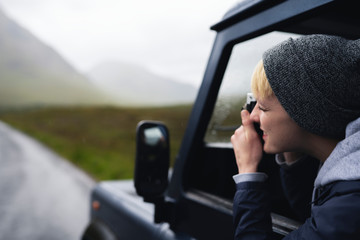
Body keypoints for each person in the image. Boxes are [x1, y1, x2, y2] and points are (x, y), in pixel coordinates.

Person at [231, 34, 360, 239]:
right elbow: (309, 215)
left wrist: (248, 173)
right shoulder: (346, 179)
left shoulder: (351, 203)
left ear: (306, 114)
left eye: (263, 108)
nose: (253, 116)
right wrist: (293, 148)